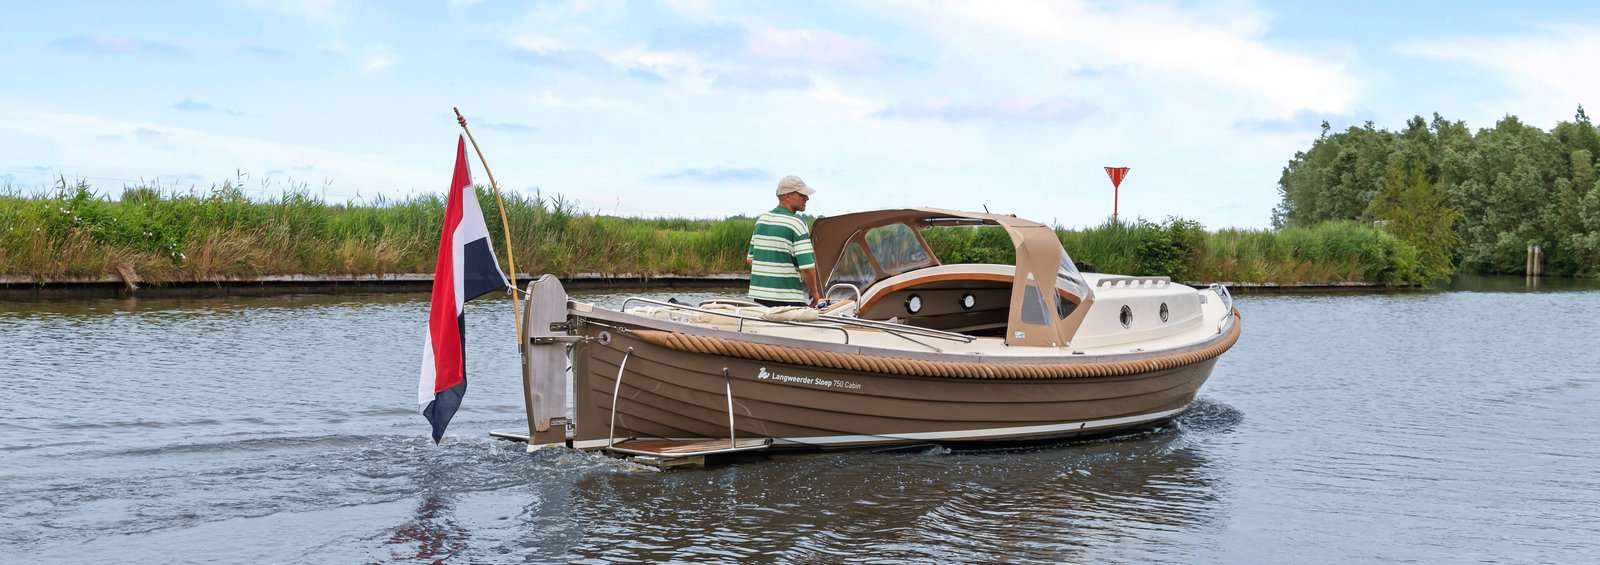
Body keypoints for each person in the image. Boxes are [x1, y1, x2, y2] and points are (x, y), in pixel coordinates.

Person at [748, 175, 822, 307]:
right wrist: (814, 291)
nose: (807, 198)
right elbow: (807, 268)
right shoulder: (797, 224)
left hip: (759, 299)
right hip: (787, 299)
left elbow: (751, 259)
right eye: (802, 195)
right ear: (788, 196)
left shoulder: (761, 221)